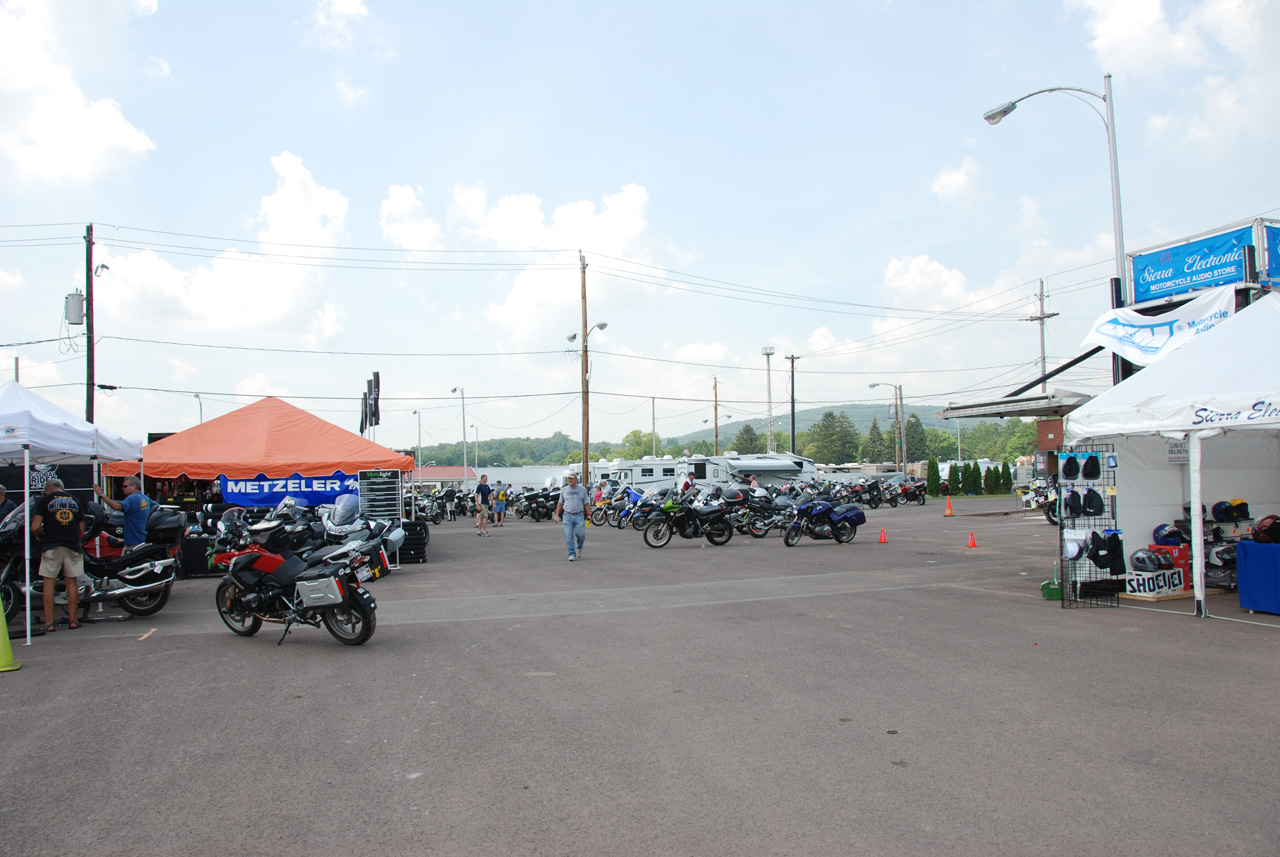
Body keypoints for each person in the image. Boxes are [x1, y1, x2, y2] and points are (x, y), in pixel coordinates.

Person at [30, 479, 85, 631]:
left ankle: (49, 623)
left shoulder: (44, 500)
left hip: (52, 544)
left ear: (48, 488)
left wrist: (40, 536)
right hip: (72, 545)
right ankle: (73, 620)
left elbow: (34, 527)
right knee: (72, 583)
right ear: (61, 487)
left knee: (49, 583)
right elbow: (81, 527)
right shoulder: (74, 500)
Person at [94, 476, 155, 549]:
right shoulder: (144, 497)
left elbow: (116, 506)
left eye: (125, 486)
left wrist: (101, 495)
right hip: (144, 539)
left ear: (133, 486)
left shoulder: (132, 498)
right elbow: (157, 506)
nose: (123, 488)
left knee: (126, 559)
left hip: (134, 542)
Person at [554, 473, 590, 561]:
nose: (570, 480)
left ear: (576, 479)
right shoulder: (564, 490)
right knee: (568, 535)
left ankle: (579, 547)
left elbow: (586, 503)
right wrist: (557, 515)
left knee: (580, 534)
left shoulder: (582, 489)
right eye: (568, 479)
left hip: (579, 515)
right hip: (567, 515)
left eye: (572, 478)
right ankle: (571, 554)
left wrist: (589, 514)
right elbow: (560, 503)